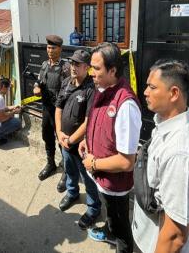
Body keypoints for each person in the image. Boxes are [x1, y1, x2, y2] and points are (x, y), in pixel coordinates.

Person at [132, 59, 189, 253]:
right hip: (146, 237)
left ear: (174, 93)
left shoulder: (180, 154)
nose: (145, 92)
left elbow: (174, 235)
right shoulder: (164, 122)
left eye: (152, 87)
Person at [79, 42, 142, 253]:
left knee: (121, 226)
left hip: (115, 183)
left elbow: (126, 161)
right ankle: (108, 231)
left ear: (112, 70)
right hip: (102, 177)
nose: (91, 72)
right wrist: (86, 141)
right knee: (111, 215)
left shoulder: (126, 106)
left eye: (96, 68)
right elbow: (96, 122)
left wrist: (94, 163)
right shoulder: (101, 89)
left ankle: (119, 242)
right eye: (91, 67)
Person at [55, 49, 101, 229]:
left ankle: (93, 208)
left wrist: (72, 139)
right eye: (72, 63)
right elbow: (58, 108)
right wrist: (59, 132)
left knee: (88, 178)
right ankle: (72, 193)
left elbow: (89, 121)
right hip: (65, 140)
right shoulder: (66, 82)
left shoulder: (91, 89)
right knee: (70, 171)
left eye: (78, 64)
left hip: (82, 144)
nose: (73, 67)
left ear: (87, 68)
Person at [33, 34, 70, 191]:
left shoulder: (65, 66)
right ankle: (51, 163)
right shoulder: (44, 64)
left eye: (53, 48)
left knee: (62, 141)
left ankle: (67, 171)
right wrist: (36, 88)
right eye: (48, 47)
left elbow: (68, 88)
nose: (49, 50)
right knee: (47, 136)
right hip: (47, 109)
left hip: (60, 111)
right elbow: (39, 80)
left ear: (60, 49)